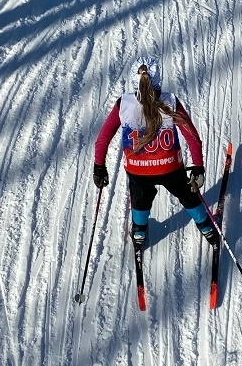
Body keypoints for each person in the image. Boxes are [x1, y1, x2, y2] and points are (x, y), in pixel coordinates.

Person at [94, 56, 219, 253]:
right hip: (169, 166)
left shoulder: (123, 103)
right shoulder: (170, 101)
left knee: (139, 196)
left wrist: (99, 167)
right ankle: (206, 227)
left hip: (137, 169)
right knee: (187, 193)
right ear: (158, 78)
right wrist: (198, 167)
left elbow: (102, 139)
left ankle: (139, 233)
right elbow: (192, 137)